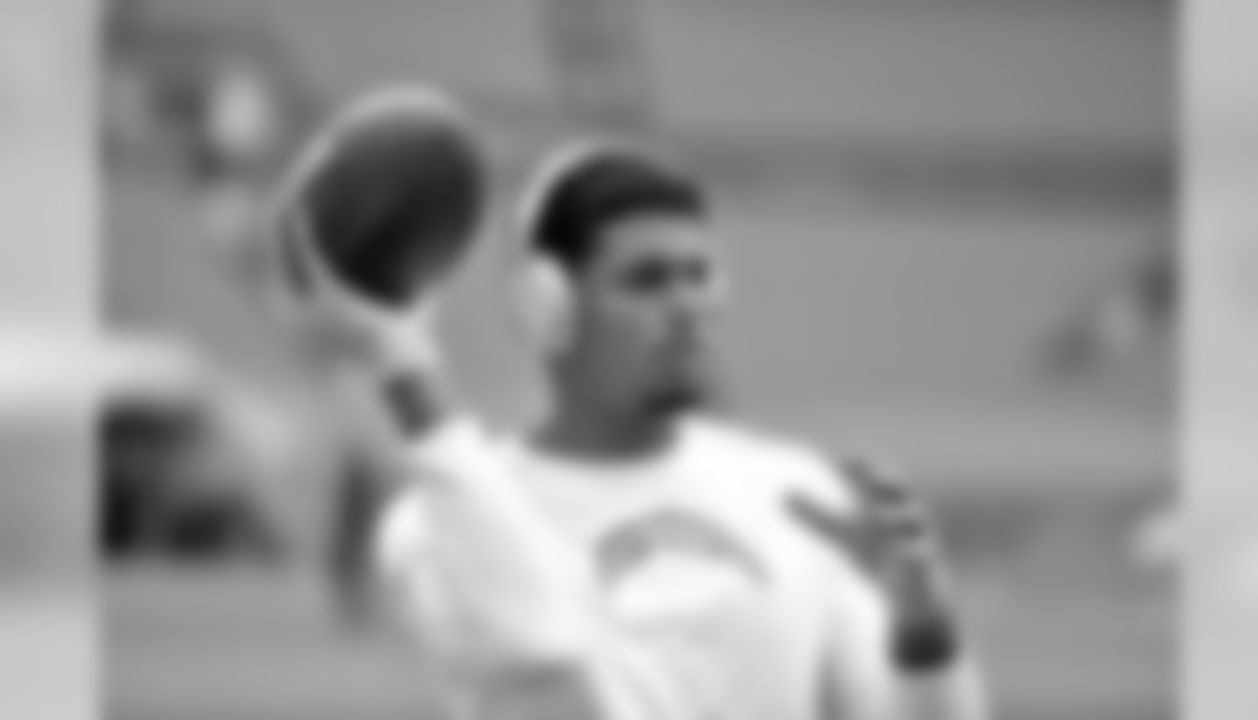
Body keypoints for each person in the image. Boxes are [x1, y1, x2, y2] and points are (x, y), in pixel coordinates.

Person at [281, 121, 989, 718]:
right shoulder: (433, 526)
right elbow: (534, 655)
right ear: (548, 308)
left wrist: (923, 626)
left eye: (699, 275)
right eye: (647, 280)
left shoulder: (798, 496)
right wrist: (403, 360)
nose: (687, 307)